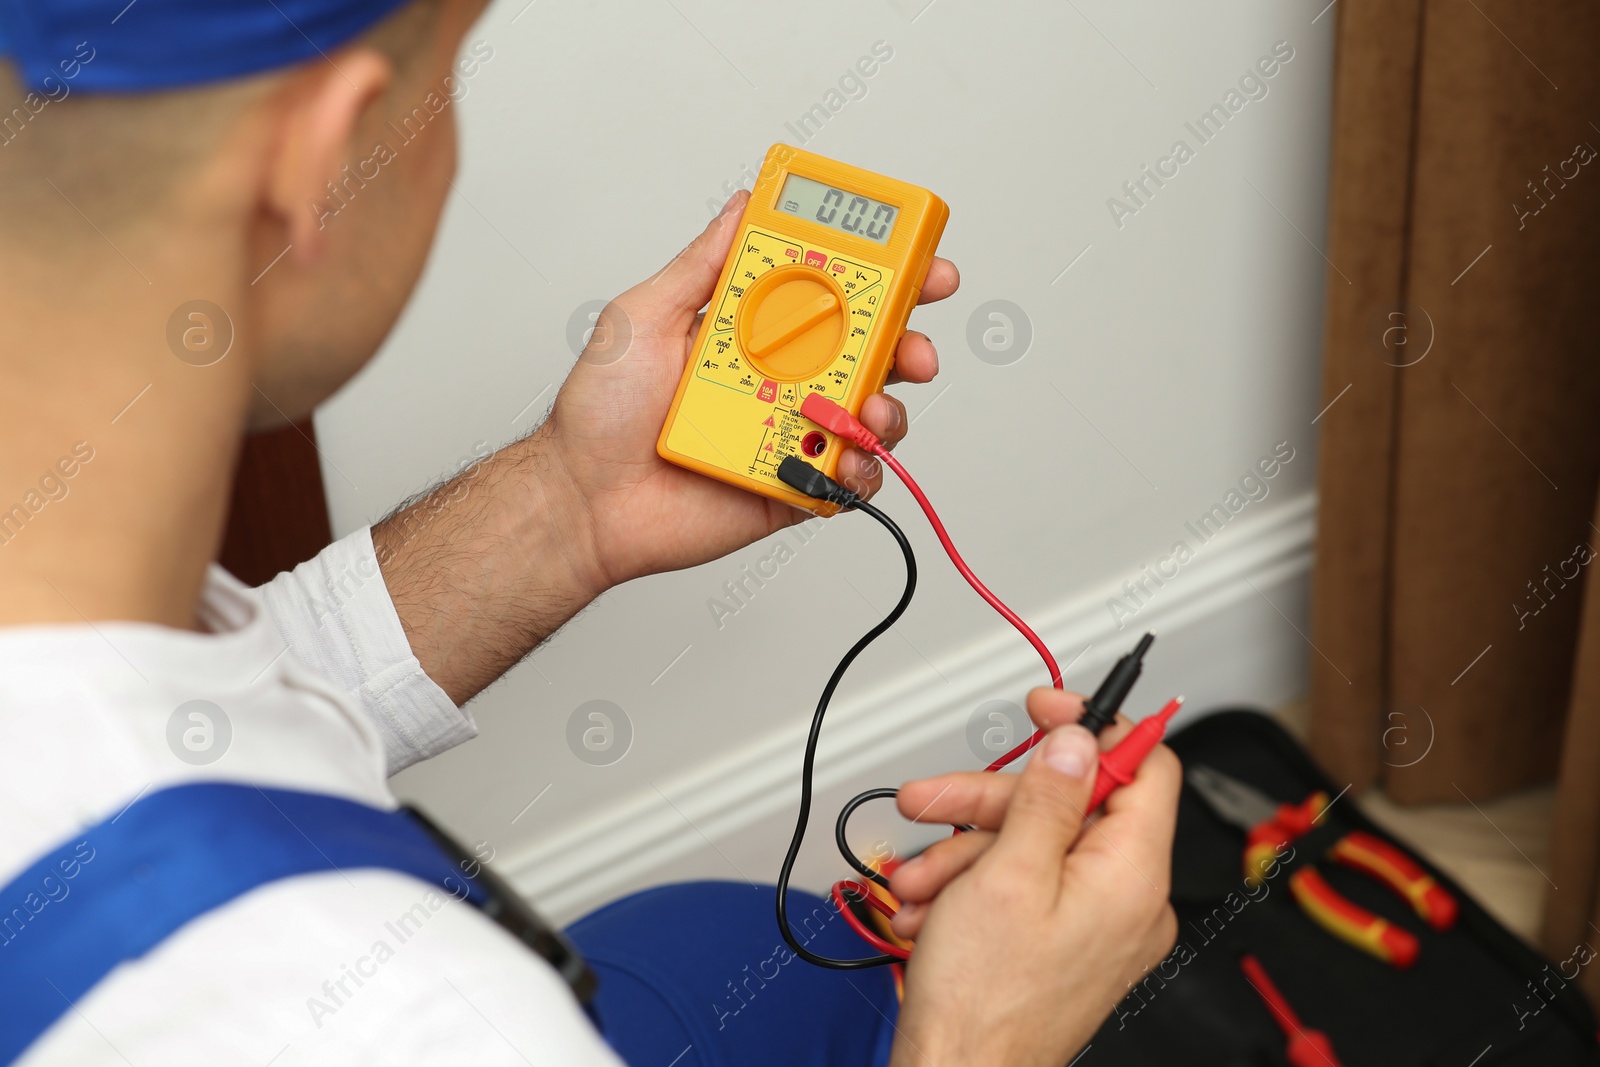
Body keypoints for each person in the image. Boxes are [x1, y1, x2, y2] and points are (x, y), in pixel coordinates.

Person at [0, 1, 1181, 1064]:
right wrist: (984, 1038)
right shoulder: (409, 1018)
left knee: (723, 947)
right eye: (443, 82)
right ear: (320, 162)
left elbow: (185, 721)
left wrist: (570, 505)